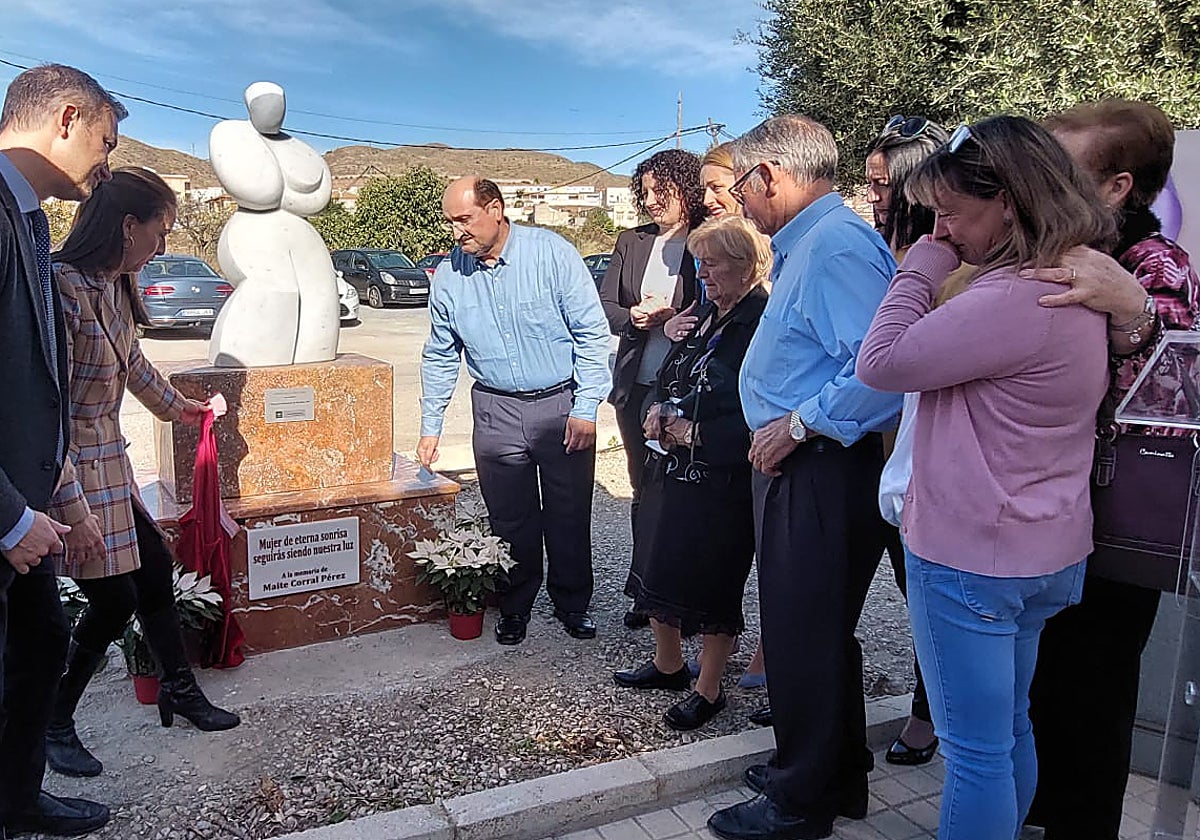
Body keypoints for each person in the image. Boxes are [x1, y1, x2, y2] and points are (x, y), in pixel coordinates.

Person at [856, 115, 1115, 840]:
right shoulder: (1076, 284)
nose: (942, 228)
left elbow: (880, 362)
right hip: (1044, 546)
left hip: (972, 555)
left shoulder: (1011, 298)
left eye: (950, 212)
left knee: (974, 754)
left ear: (1008, 201)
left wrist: (921, 266)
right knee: (1008, 730)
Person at [706, 115, 902, 840]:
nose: (737, 201)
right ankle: (833, 775)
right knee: (813, 631)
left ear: (770, 176)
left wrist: (797, 425)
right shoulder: (811, 244)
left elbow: (881, 374)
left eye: (740, 186)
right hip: (804, 462)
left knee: (802, 635)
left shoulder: (834, 247)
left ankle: (800, 801)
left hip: (818, 465)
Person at [1023, 100, 1200, 840]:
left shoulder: (1154, 265)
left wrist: (1135, 316)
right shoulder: (1054, 248)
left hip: (1111, 525)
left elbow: (1175, 395)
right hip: (1048, 510)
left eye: (1061, 171)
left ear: (1117, 186)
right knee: (1042, 683)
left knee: (1092, 691)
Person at [44, 167, 241, 780]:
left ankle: (178, 691)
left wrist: (184, 410)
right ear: (128, 226)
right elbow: (44, 405)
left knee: (154, 571)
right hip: (68, 470)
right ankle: (54, 720)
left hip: (109, 464)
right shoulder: (61, 287)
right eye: (161, 231)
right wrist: (66, 500)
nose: (163, 246)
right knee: (112, 598)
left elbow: (132, 362)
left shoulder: (112, 286)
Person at [0, 62, 118, 837]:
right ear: (67, 118)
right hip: (8, 516)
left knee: (42, 645)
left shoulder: (27, 219)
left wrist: (59, 497)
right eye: (105, 143)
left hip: (28, 506)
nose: (105, 165)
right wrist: (10, 519)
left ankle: (15, 801)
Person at [419, 177, 612, 646]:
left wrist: (586, 406)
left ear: (496, 209)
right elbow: (441, 354)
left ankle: (572, 603)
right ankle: (515, 605)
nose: (457, 232)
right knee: (509, 518)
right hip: (495, 410)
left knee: (569, 512)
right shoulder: (449, 276)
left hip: (560, 405)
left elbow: (591, 334)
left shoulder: (552, 254)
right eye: (450, 222)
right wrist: (431, 425)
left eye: (464, 219)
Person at [612, 215, 769, 730]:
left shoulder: (758, 322)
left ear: (744, 266)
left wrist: (692, 433)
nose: (701, 274)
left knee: (712, 582)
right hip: (670, 466)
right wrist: (657, 410)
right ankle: (669, 664)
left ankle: (710, 689)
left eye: (711, 264)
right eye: (699, 263)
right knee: (657, 565)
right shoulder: (705, 313)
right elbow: (671, 374)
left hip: (720, 478)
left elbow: (759, 411)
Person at [864, 115, 954, 767]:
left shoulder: (949, 262)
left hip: (919, 450)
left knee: (921, 592)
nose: (871, 196)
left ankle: (929, 711)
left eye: (880, 184)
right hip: (865, 440)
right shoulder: (875, 245)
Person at [598, 149, 704, 630]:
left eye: (661, 190)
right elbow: (606, 305)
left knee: (682, 496)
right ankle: (644, 591)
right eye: (645, 192)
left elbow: (722, 307)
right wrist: (635, 318)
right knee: (643, 490)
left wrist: (678, 319)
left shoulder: (707, 239)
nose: (652, 200)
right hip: (636, 389)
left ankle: (683, 597)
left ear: (686, 188)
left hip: (686, 392)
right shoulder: (632, 241)